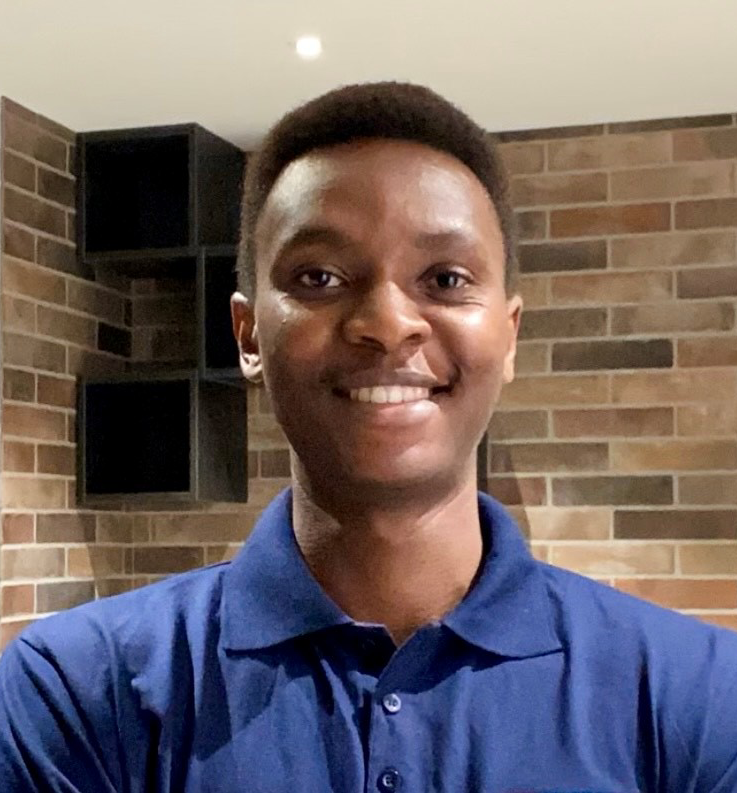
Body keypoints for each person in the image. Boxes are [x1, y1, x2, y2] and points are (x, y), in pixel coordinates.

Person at [1, 82, 736, 792]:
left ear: (508, 336)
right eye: (319, 277)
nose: (387, 324)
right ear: (248, 335)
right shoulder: (76, 691)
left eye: (445, 279)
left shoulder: (698, 695)